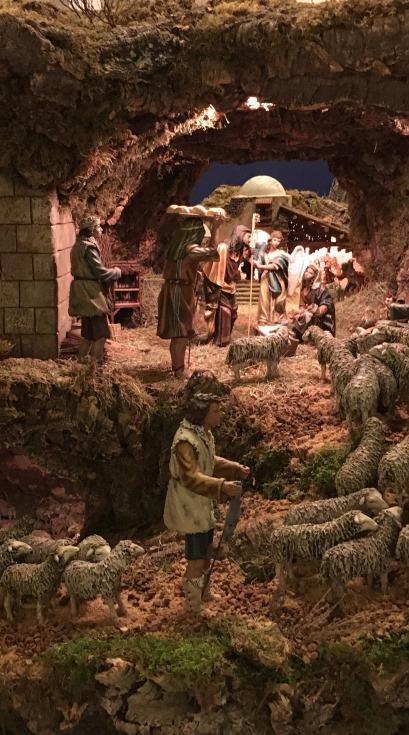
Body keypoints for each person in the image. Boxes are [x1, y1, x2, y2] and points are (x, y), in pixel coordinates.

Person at [163, 383, 250, 614]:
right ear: (203, 414)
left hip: (202, 504)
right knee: (196, 556)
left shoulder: (202, 434)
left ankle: (204, 591)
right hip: (190, 506)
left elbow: (208, 459)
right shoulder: (185, 441)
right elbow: (191, 477)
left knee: (206, 550)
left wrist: (233, 468)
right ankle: (194, 605)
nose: (220, 415)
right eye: (215, 411)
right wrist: (223, 486)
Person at [157, 212, 220, 379]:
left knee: (178, 333)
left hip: (172, 289)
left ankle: (177, 366)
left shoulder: (176, 248)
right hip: (180, 292)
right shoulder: (190, 249)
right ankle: (179, 370)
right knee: (181, 333)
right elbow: (214, 254)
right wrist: (216, 227)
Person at [69, 216, 122, 363]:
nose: (101, 229)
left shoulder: (78, 245)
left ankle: (80, 364)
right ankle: (95, 365)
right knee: (101, 333)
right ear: (91, 230)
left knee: (88, 334)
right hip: (90, 292)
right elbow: (100, 272)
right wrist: (116, 272)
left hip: (83, 290)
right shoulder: (88, 247)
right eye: (98, 227)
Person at [202, 224, 250, 346]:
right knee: (225, 312)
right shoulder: (224, 248)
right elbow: (216, 270)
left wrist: (239, 275)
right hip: (219, 286)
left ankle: (225, 337)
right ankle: (220, 341)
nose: (250, 239)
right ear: (240, 234)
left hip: (230, 287)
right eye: (248, 236)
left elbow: (234, 271)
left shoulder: (239, 252)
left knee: (233, 313)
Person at [289, 263, 336, 340]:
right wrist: (300, 312)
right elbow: (302, 306)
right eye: (306, 271)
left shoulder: (321, 288)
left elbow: (327, 303)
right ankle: (299, 335)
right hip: (310, 313)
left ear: (315, 276)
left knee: (307, 315)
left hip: (321, 318)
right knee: (299, 316)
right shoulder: (303, 290)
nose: (307, 273)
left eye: (310, 273)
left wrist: (317, 310)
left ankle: (297, 334)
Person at [254, 230, 290, 325]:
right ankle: (263, 319)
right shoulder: (263, 254)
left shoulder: (281, 254)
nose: (276, 243)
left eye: (278, 241)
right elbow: (257, 264)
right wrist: (253, 259)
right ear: (270, 240)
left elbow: (275, 266)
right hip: (265, 278)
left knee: (279, 300)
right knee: (264, 299)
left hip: (278, 278)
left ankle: (278, 318)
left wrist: (260, 266)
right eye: (275, 240)